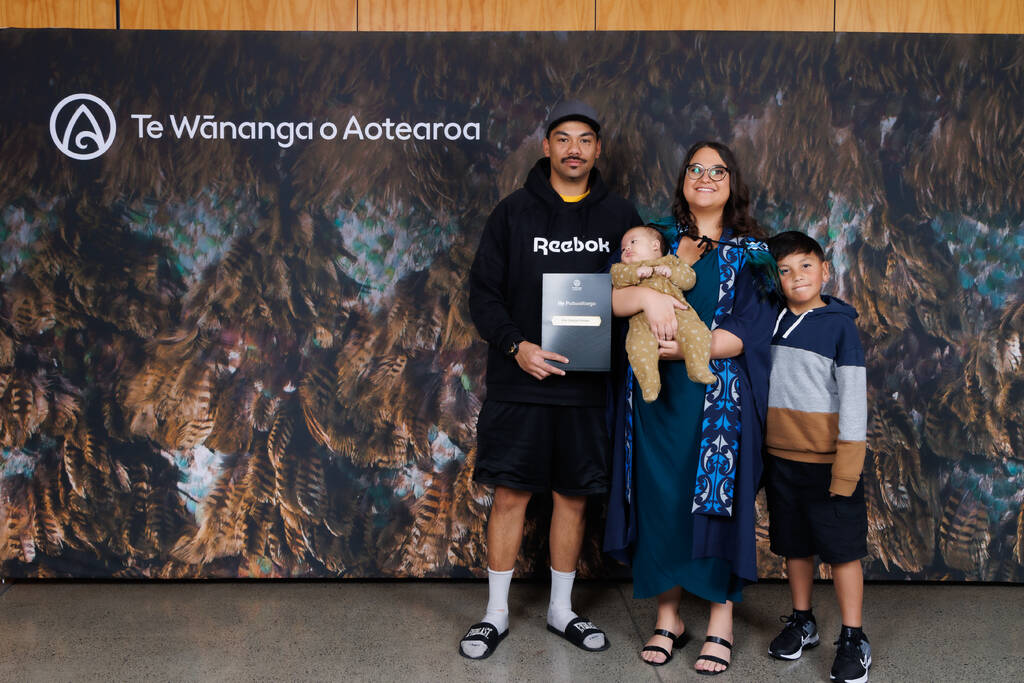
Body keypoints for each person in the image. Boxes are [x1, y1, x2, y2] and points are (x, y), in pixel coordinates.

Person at [460, 100, 642, 660]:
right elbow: (483, 296)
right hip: (521, 381)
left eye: (585, 139)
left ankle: (562, 610)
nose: (573, 149)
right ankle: (494, 615)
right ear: (546, 147)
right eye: (562, 138)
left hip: (587, 385)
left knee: (573, 496)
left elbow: (641, 288)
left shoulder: (621, 218)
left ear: (598, 150)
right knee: (512, 492)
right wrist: (518, 347)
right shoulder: (512, 213)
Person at [604, 141, 778, 674]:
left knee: (715, 503)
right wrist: (650, 298)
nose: (705, 177)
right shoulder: (656, 242)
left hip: (717, 399)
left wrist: (685, 348)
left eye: (717, 170)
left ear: (732, 183)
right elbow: (612, 297)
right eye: (695, 169)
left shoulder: (751, 253)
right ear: (683, 179)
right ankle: (669, 617)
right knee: (660, 501)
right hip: (657, 401)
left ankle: (721, 621)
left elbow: (749, 333)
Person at [764, 230, 871, 683]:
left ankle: (853, 636)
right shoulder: (767, 320)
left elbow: (852, 401)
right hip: (780, 459)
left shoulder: (840, 326)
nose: (796, 277)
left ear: (825, 270)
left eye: (806, 266)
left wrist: (847, 467)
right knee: (795, 546)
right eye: (785, 270)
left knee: (842, 551)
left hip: (829, 462)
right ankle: (803, 620)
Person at [610, 225, 715, 402]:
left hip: (679, 313)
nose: (627, 248)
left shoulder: (671, 262)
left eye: (633, 242)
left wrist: (672, 273)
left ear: (655, 245)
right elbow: (616, 278)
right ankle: (649, 384)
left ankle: (698, 367)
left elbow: (689, 280)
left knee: (699, 333)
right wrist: (634, 273)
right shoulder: (623, 268)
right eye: (623, 248)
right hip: (641, 321)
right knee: (637, 347)